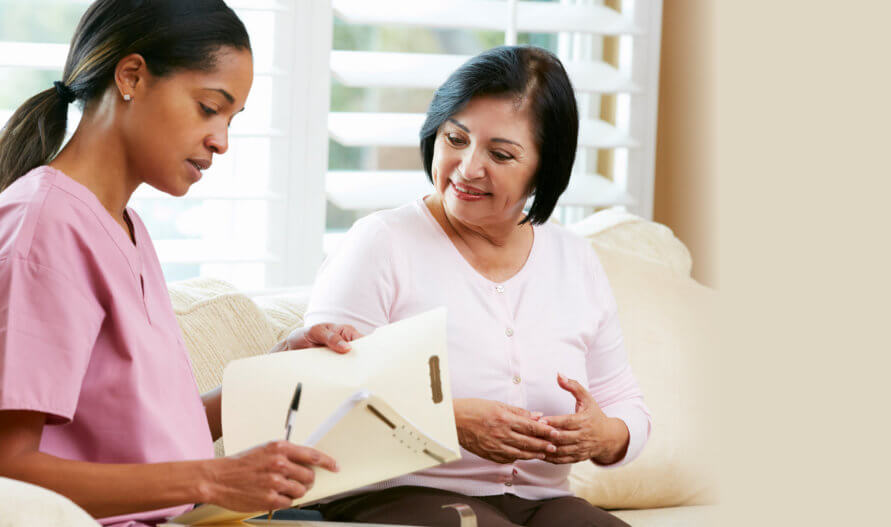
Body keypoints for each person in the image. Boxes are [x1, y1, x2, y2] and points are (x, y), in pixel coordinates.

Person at [0, 1, 359, 525]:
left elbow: (148, 430)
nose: (222, 141)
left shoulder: (125, 225)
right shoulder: (45, 227)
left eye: (232, 119)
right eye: (208, 107)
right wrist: (212, 477)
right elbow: (11, 472)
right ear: (132, 77)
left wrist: (279, 369)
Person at [299, 46, 652, 527]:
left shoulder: (576, 261)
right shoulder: (381, 242)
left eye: (500, 154)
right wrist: (449, 420)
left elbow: (624, 401)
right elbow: (317, 399)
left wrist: (604, 436)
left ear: (545, 168)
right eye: (456, 139)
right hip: (397, 494)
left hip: (541, 501)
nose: (467, 168)